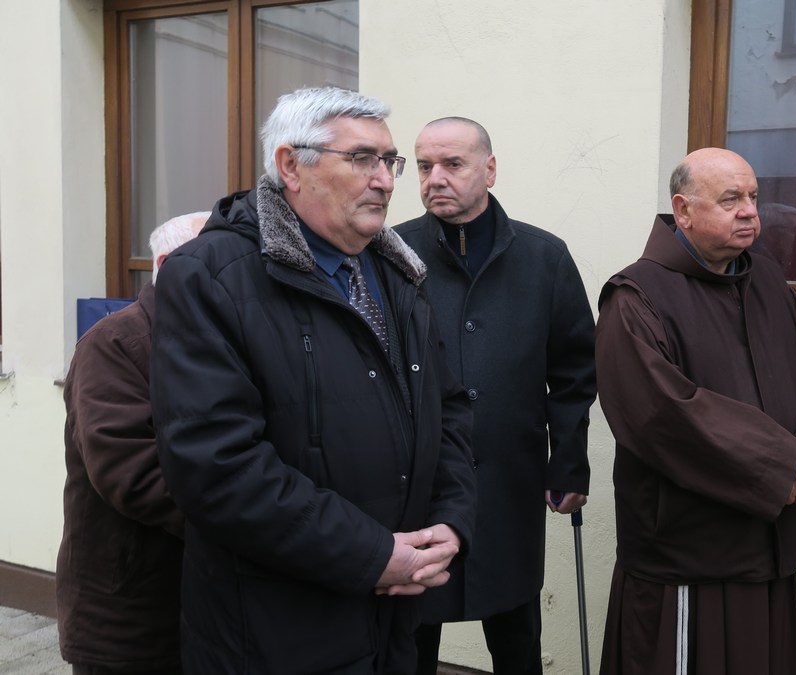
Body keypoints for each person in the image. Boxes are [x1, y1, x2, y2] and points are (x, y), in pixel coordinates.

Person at [149, 86, 476, 674]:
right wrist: (373, 555)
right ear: (290, 167)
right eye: (361, 159)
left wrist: (450, 523)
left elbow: (447, 409)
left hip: (395, 618)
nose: (385, 180)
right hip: (275, 633)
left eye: (389, 160)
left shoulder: (397, 274)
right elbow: (217, 466)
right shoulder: (210, 277)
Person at [594, 147, 796, 675]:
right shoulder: (635, 296)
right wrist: (785, 461)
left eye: (753, 196)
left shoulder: (767, 280)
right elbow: (663, 415)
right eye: (731, 199)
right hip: (689, 557)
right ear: (683, 210)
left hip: (770, 544)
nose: (750, 211)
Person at [395, 117, 596, 675]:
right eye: (424, 166)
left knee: (516, 636)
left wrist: (569, 462)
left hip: (512, 479)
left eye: (452, 164)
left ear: (489, 169)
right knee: (410, 637)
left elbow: (574, 371)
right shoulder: (390, 253)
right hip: (418, 481)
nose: (435, 178)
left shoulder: (544, 256)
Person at [57, 211, 206, 675]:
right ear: (165, 264)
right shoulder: (113, 343)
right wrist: (246, 520)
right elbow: (131, 472)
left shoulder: (216, 339)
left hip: (201, 602)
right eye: (211, 259)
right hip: (127, 614)